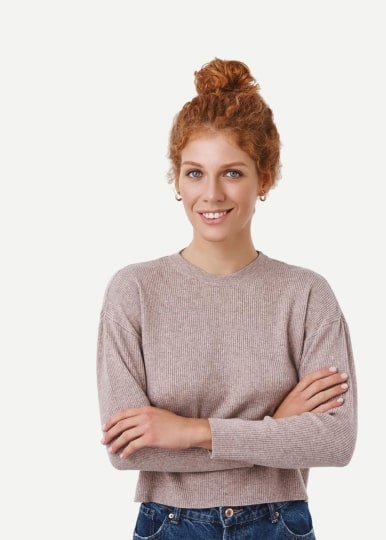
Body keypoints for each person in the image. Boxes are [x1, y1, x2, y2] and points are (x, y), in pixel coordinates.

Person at [97, 57, 358, 540]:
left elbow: (334, 441)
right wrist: (277, 427)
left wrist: (191, 432)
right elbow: (128, 450)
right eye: (195, 173)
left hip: (278, 523)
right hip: (169, 524)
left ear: (266, 177)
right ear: (177, 179)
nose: (212, 194)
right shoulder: (134, 291)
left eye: (232, 173)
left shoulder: (305, 294)